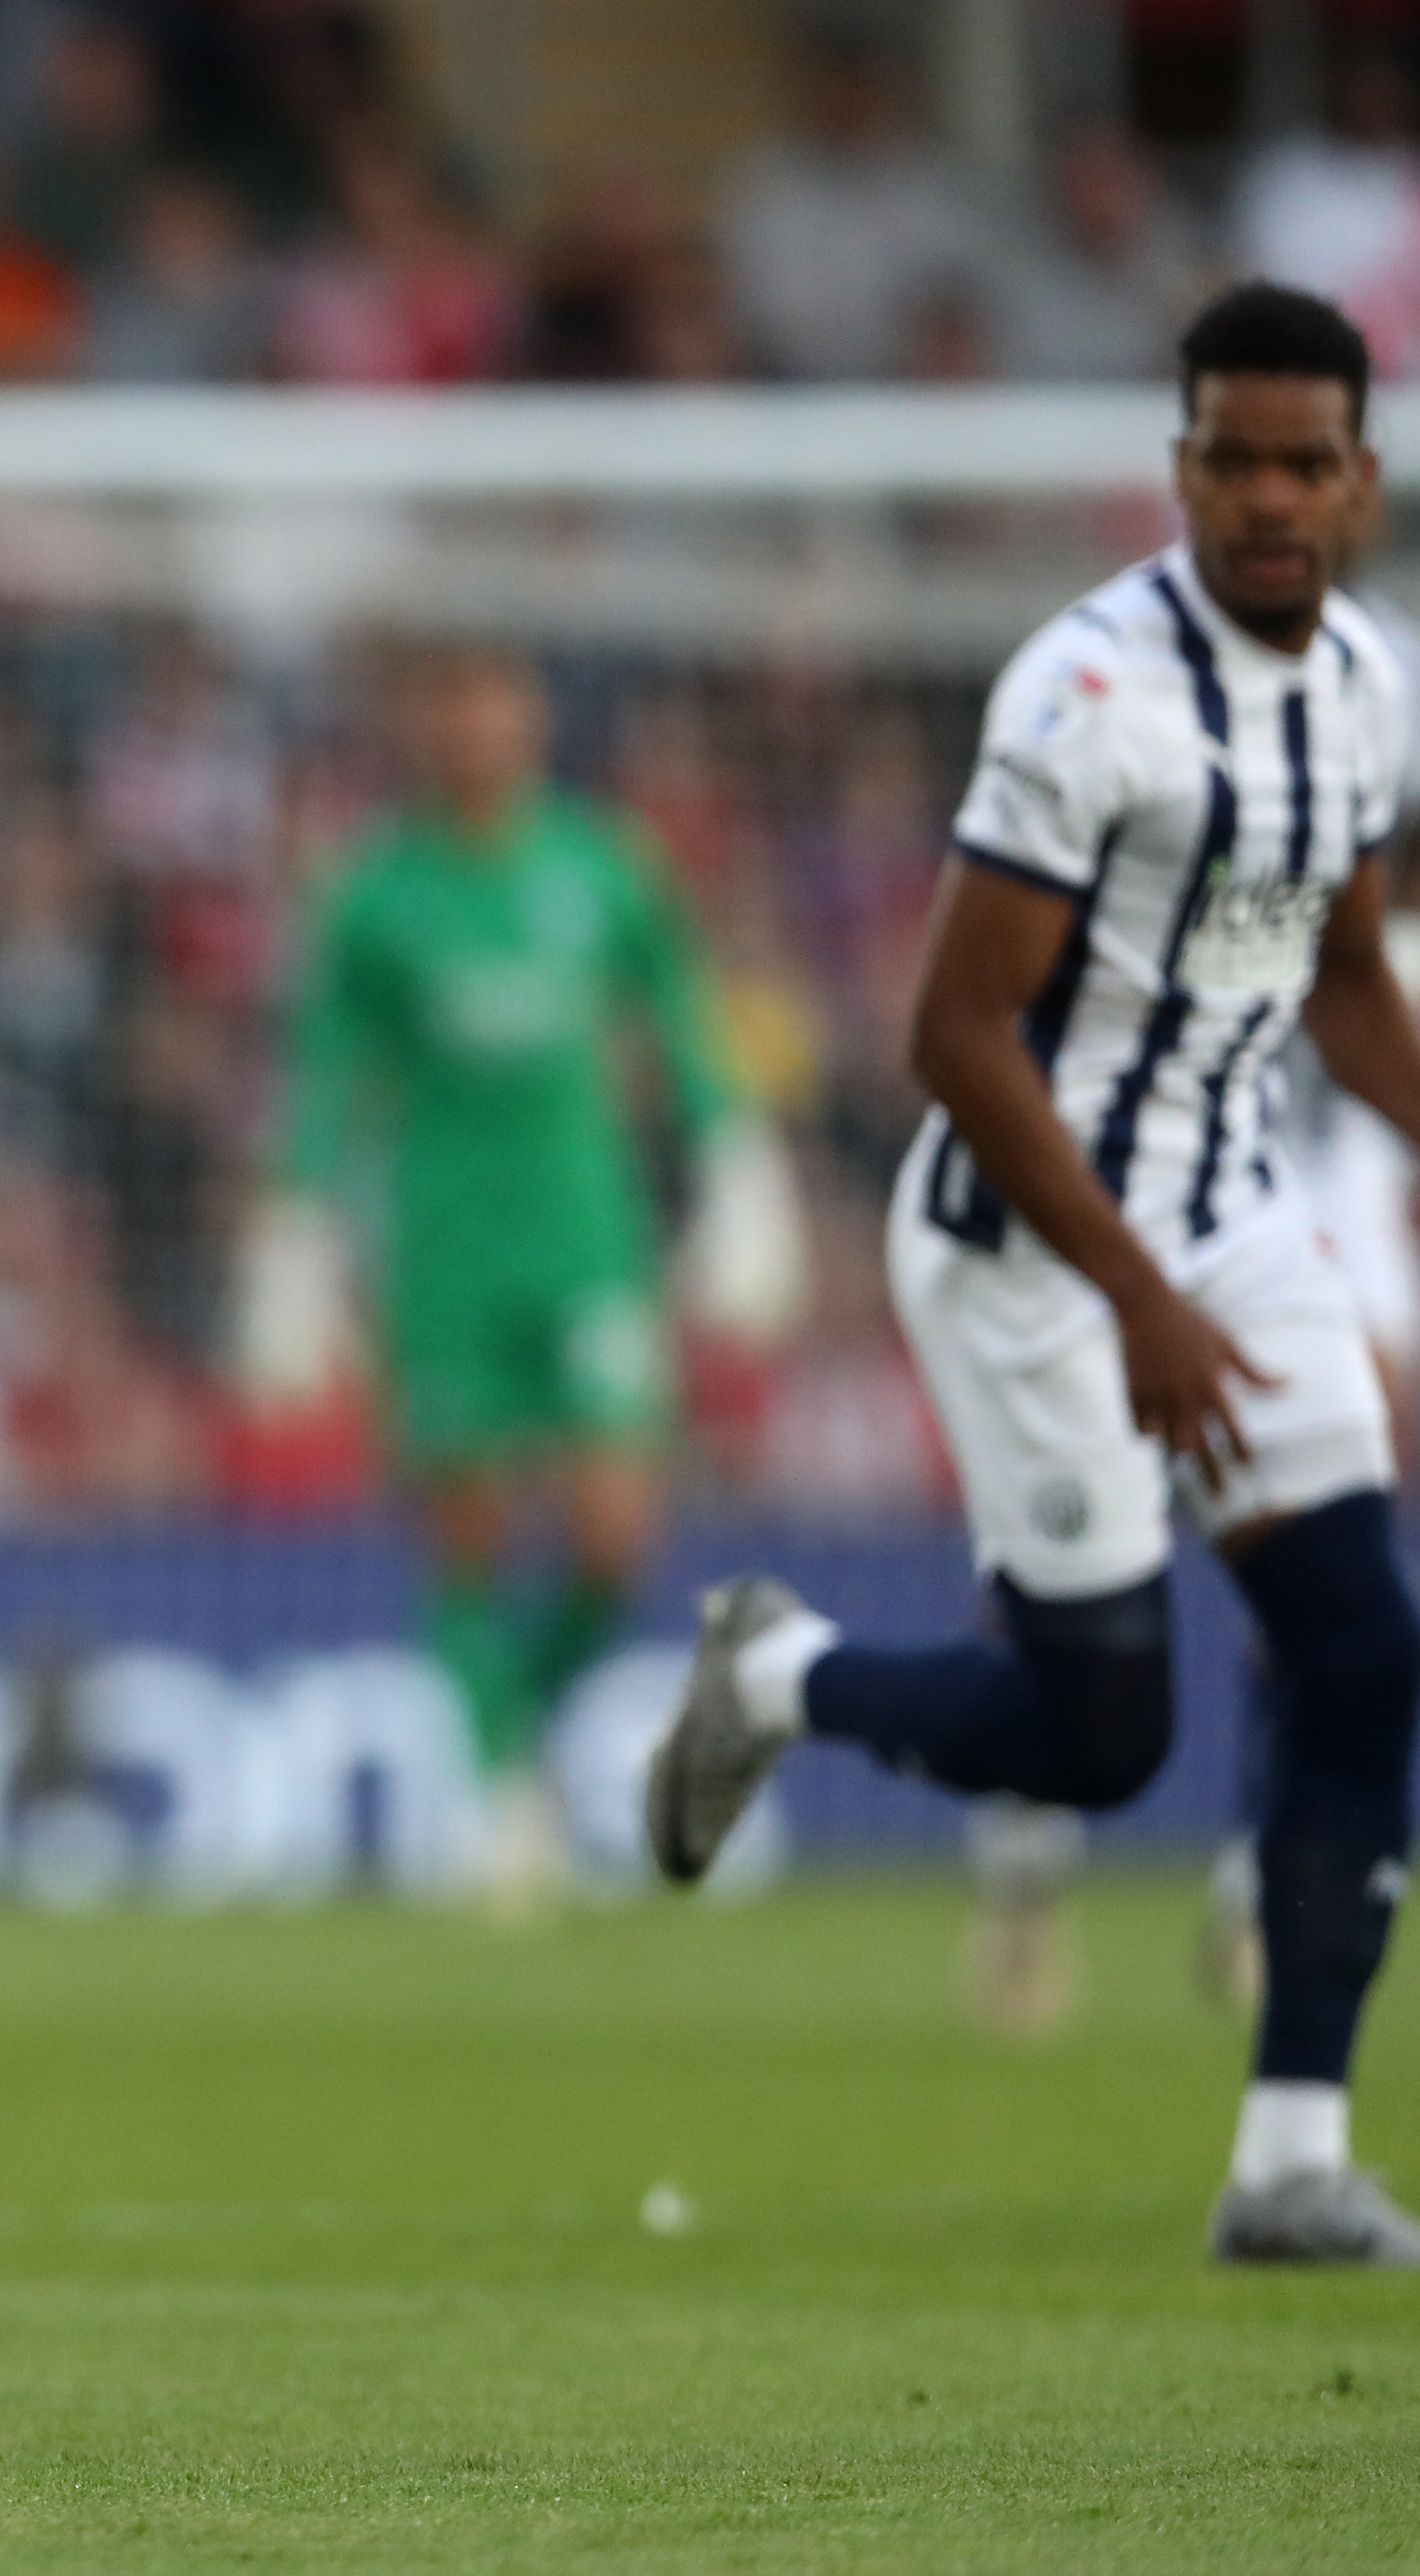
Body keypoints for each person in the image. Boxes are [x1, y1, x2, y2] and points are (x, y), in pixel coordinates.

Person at [650, 283, 1420, 2266]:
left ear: (1354, 481)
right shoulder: (1084, 697)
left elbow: (1338, 974)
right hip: (1025, 1240)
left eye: (1302, 462)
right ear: (1178, 469)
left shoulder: (1363, 687)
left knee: (1360, 1651)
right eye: (1228, 458)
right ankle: (776, 1671)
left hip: (1231, 1217)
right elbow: (952, 1039)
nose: (1265, 495)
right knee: (1103, 1740)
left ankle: (1284, 2158)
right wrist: (1131, 1297)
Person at [242, 643, 787, 1903]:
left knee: (613, 1535)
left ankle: (520, 1728)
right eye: (453, 700)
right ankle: (501, 1795)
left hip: (588, 1241)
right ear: (424, 723)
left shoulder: (600, 866)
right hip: (441, 1254)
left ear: (532, 716)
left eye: (499, 700)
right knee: (470, 1532)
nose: (479, 725)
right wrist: (292, 1234)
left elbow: (681, 1019)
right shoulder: (376, 895)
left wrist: (737, 1162)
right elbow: (325, 1077)